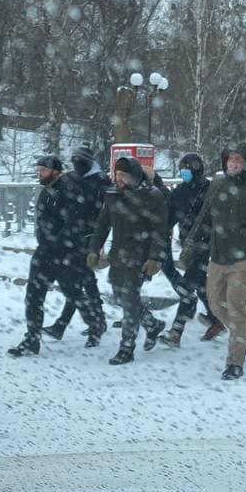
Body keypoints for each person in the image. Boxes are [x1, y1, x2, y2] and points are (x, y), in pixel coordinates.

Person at [180, 140, 246, 381]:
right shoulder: (218, 184)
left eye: (238, 160)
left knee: (236, 307)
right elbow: (204, 217)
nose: (233, 164)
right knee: (215, 304)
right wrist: (191, 245)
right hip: (219, 254)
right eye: (230, 159)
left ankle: (235, 362)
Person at [8, 155, 108, 358]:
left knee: (73, 293)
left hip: (65, 254)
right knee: (34, 296)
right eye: (38, 170)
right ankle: (32, 339)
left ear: (55, 171)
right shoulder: (48, 190)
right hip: (44, 253)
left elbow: (73, 223)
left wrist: (59, 245)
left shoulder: (69, 190)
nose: (39, 174)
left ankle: (96, 325)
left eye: (43, 170)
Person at [85, 155, 170, 365]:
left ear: (134, 177)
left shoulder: (152, 196)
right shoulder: (112, 194)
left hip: (140, 255)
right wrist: (94, 249)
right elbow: (103, 224)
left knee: (130, 299)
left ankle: (127, 347)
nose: (119, 179)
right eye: (117, 174)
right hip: (118, 254)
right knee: (119, 296)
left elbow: (160, 230)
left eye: (123, 175)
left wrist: (155, 258)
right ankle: (152, 325)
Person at [40, 144, 110, 341]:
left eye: (81, 161)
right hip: (72, 234)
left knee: (79, 281)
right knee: (81, 280)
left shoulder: (101, 181)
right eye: (74, 161)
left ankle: (80, 323)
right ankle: (95, 321)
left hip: (89, 236)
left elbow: (103, 210)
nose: (77, 165)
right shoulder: (72, 177)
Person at [159, 153, 222, 347]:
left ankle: (176, 332)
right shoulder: (178, 192)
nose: (184, 172)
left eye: (187, 168)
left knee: (187, 287)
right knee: (201, 286)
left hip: (206, 245)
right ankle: (218, 320)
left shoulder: (210, 190)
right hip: (189, 246)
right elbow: (171, 217)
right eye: (182, 168)